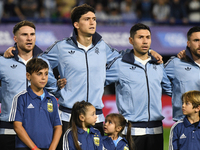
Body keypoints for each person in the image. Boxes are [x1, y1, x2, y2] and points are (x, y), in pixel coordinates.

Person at [3, 4, 163, 149]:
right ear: (76, 24)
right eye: (87, 19)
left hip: (97, 118)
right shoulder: (62, 47)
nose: (93, 22)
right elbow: (40, 60)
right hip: (69, 116)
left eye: (94, 19)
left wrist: (148, 52)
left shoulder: (102, 46)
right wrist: (54, 86)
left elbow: (122, 56)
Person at [105, 23, 172, 150]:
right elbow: (98, 82)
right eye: (140, 37)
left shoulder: (157, 64)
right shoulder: (120, 64)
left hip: (156, 130)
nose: (145, 41)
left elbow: (171, 90)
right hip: (131, 131)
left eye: (148, 37)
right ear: (131, 40)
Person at [0, 20, 59, 150]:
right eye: (24, 34)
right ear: (15, 38)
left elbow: (53, 90)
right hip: (9, 130)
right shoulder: (3, 62)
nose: (29, 38)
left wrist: (60, 85)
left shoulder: (44, 62)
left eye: (32, 34)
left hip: (36, 130)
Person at [9, 58, 62, 150]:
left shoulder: (52, 99)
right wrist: (34, 148)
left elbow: (58, 127)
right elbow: (17, 126)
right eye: (39, 74)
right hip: (25, 147)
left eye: (46, 73)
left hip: (48, 147)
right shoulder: (20, 98)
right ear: (28, 76)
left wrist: (52, 148)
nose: (43, 77)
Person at [165, 26, 200, 122]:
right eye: (196, 40)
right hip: (184, 123)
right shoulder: (176, 63)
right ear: (188, 43)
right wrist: (176, 93)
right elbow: (157, 78)